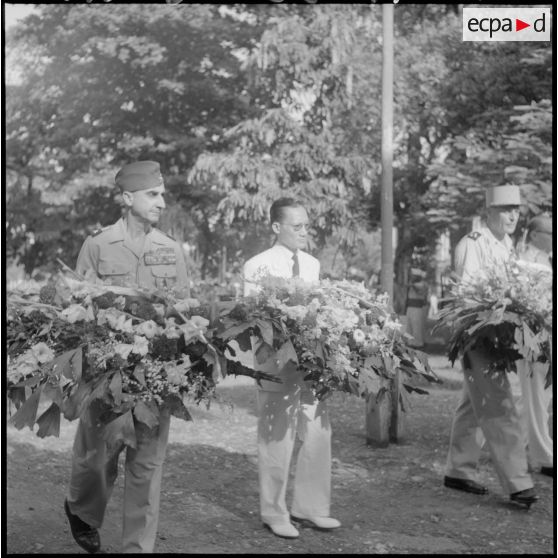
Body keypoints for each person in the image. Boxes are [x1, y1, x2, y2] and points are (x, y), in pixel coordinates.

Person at [64, 161, 189, 553]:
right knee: (97, 456)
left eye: (162, 194)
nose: (161, 202)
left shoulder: (170, 249)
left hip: (156, 372)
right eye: (153, 194)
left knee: (147, 463)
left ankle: (138, 547)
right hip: (107, 370)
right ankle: (82, 510)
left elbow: (185, 307)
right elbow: (76, 305)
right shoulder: (98, 245)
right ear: (126, 198)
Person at [243, 198, 340, 539]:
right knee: (277, 436)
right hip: (275, 362)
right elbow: (256, 319)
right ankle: (274, 512)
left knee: (318, 432)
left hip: (312, 362)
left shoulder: (312, 264)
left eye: (305, 225)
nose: (304, 231)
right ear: (276, 227)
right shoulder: (257, 266)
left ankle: (312, 508)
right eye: (296, 226)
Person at [443, 185, 538, 508]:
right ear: (489, 213)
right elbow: (468, 296)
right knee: (499, 404)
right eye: (505, 210)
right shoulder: (474, 243)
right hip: (479, 334)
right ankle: (518, 483)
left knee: (474, 402)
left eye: (516, 210)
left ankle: (458, 469)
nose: (512, 215)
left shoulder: (507, 244)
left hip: (501, 335)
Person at [515, 214, 553, 478]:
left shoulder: (545, 259)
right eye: (551, 234)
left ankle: (515, 448)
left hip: (548, 333)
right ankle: (546, 457)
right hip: (534, 335)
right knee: (537, 398)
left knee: (542, 399)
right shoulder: (526, 260)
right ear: (536, 234)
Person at [404, 249, 429, 348]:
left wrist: (411, 284)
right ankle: (410, 344)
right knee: (409, 328)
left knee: (416, 328)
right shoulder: (414, 283)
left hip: (417, 308)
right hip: (410, 307)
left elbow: (419, 289)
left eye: (414, 275)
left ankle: (418, 344)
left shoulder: (422, 284)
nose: (412, 276)